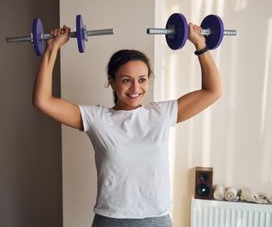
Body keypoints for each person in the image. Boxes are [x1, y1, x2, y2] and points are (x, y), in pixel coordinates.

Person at [32, 23, 222, 227]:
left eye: (142, 80)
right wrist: (52, 49)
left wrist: (200, 44)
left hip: (157, 220)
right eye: (126, 80)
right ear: (111, 81)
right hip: (112, 220)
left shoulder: (162, 114)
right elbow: (42, 100)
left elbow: (213, 91)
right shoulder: (96, 118)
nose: (135, 88)